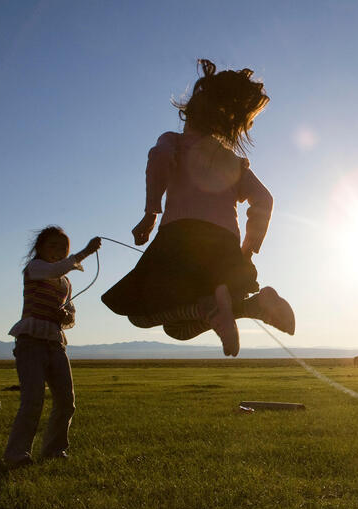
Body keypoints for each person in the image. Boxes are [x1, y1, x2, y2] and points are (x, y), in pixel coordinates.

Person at [102, 59, 295, 357]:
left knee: (139, 315)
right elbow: (265, 200)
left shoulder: (175, 142)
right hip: (225, 249)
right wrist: (246, 250)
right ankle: (252, 306)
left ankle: (213, 307)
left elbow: (158, 159)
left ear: (189, 112)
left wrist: (151, 212)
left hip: (180, 240)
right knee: (177, 328)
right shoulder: (235, 162)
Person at [3, 227, 101, 467]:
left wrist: (65, 315)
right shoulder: (35, 268)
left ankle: (54, 451)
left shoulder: (65, 282)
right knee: (33, 400)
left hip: (56, 344)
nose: (58, 252)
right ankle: (16, 455)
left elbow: (71, 316)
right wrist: (86, 252)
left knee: (66, 400)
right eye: (53, 246)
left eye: (62, 248)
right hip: (30, 342)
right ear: (40, 248)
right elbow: (54, 269)